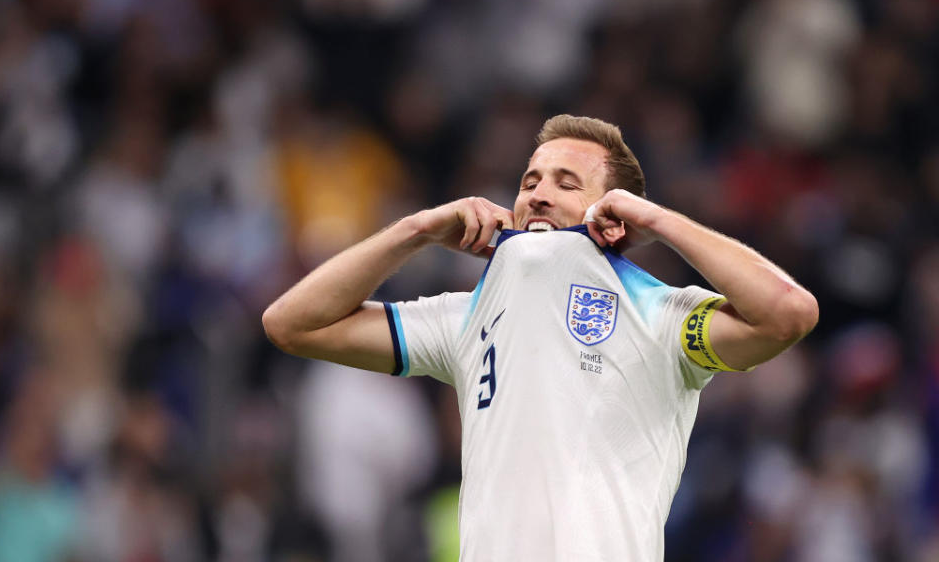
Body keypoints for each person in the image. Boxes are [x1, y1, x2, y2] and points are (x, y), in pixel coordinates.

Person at [262, 114, 819, 561]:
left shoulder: (663, 315)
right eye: (529, 181)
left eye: (566, 182)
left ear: (615, 215)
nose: (537, 195)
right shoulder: (463, 318)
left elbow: (787, 313)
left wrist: (662, 222)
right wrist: (418, 231)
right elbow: (292, 323)